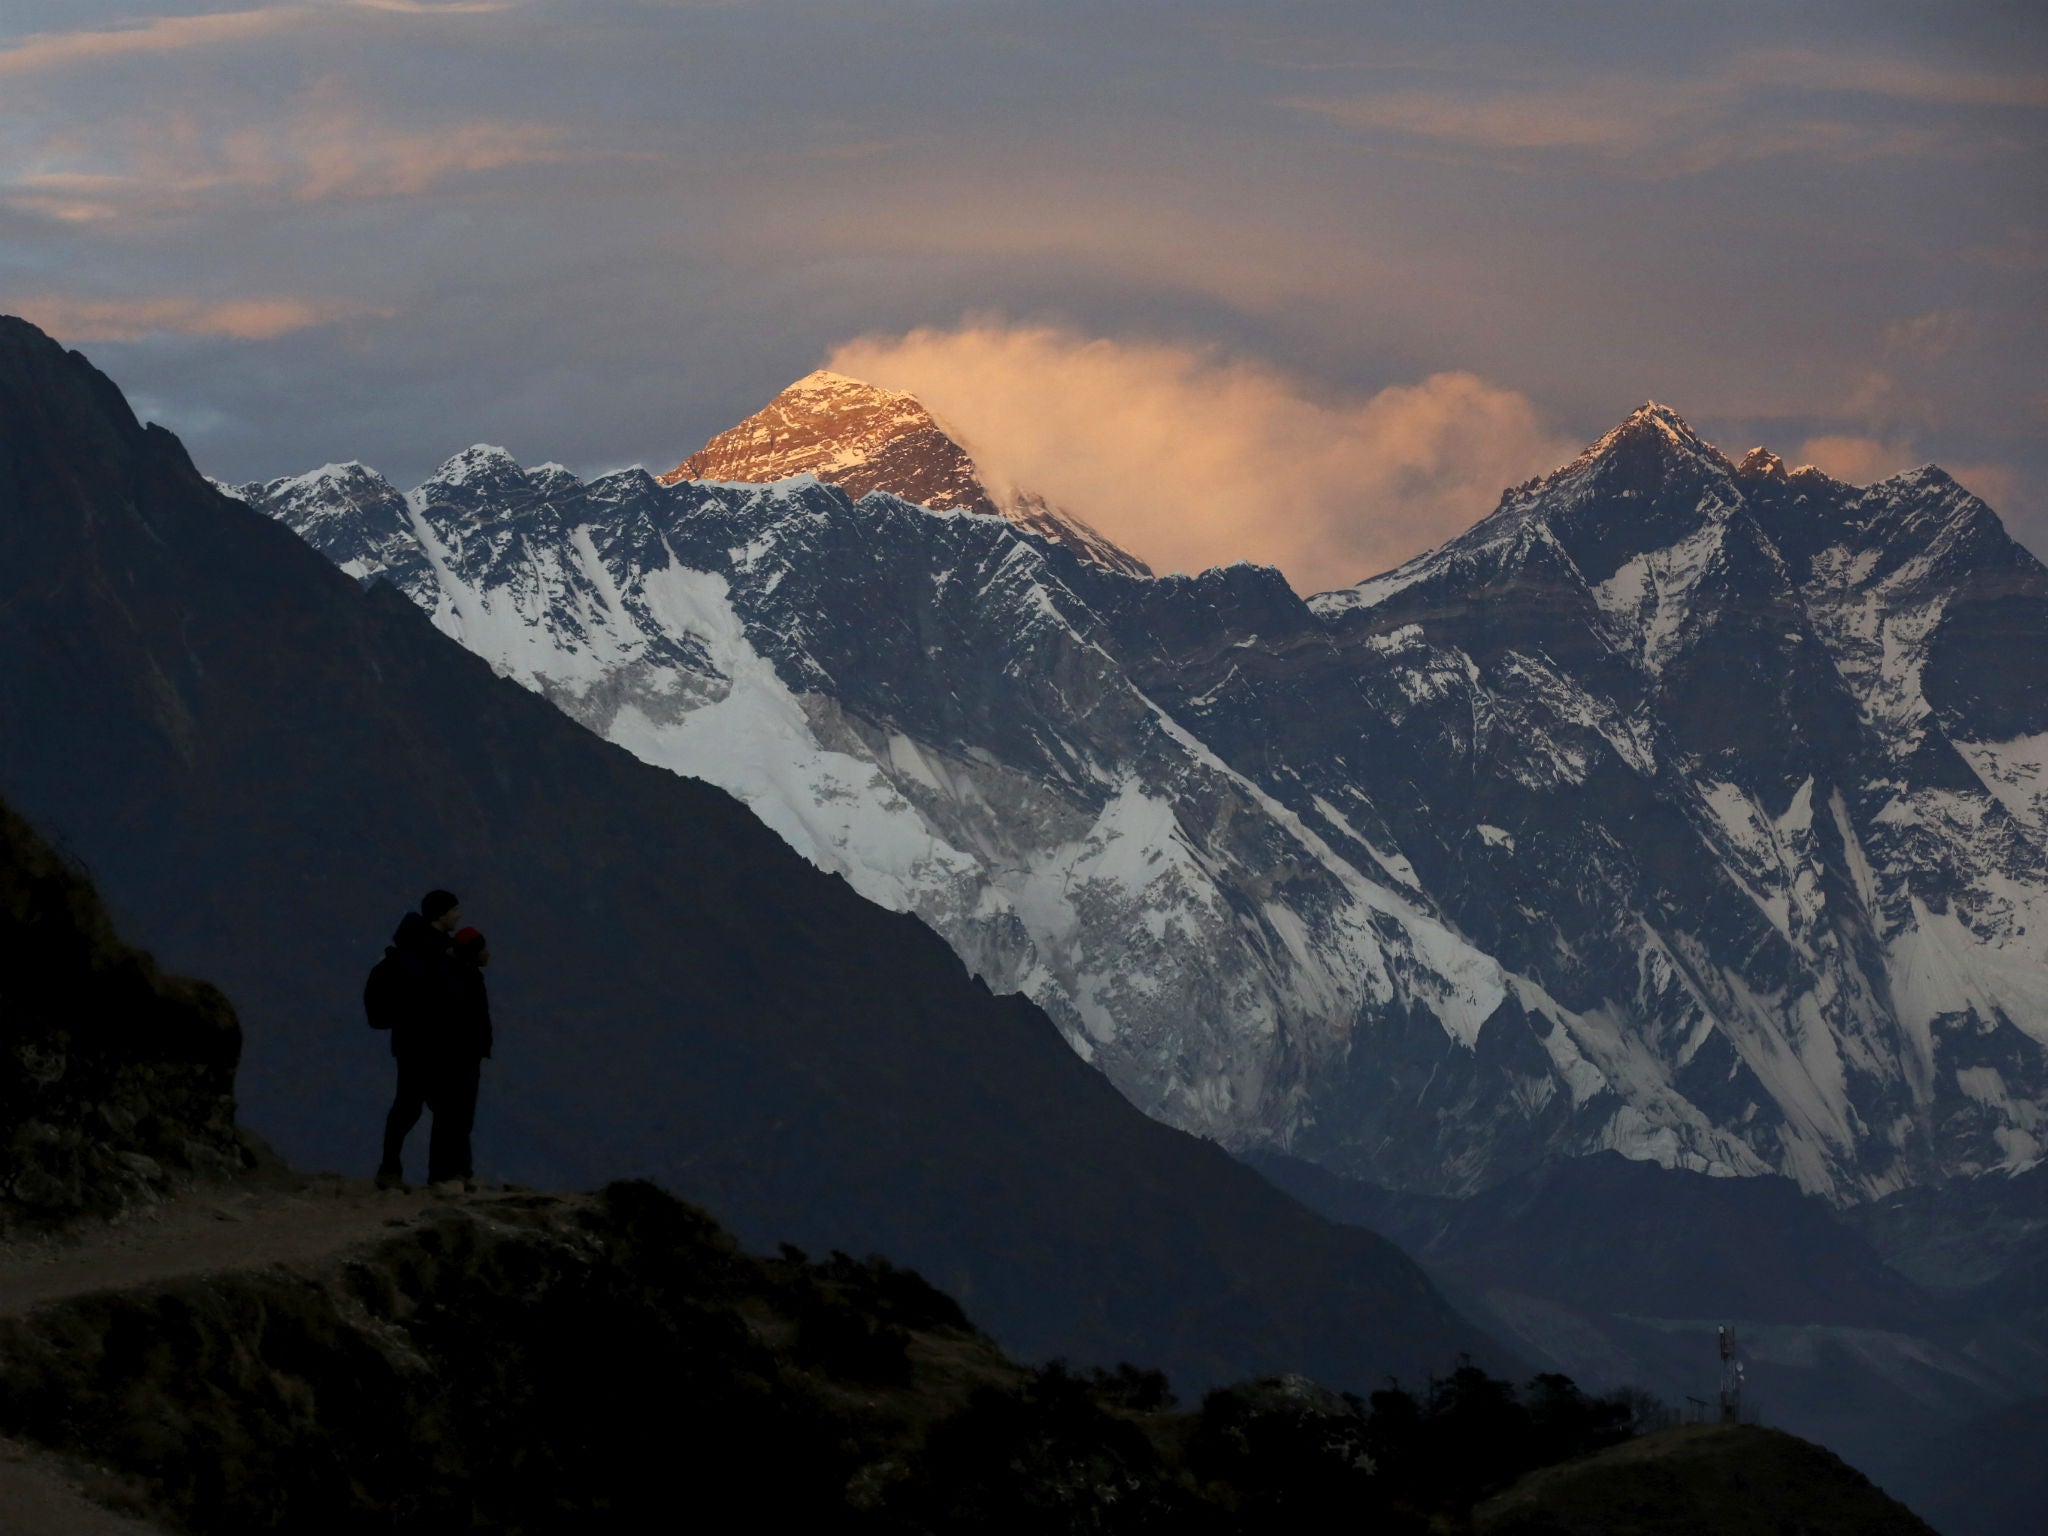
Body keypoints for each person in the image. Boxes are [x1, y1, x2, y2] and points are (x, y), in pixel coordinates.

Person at [374, 889, 474, 1193]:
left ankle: (425, 1172)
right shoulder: (426, 952)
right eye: (454, 910)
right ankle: (410, 1172)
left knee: (419, 1105)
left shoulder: (426, 947)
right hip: (421, 1041)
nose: (458, 915)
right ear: (441, 914)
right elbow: (435, 997)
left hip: (421, 1041)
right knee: (416, 1105)